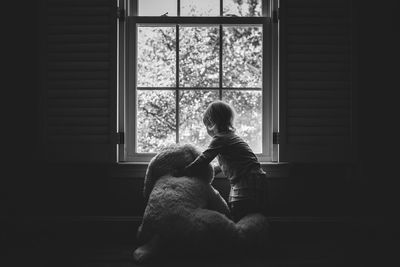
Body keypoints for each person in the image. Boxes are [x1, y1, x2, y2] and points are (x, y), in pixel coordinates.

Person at [175, 100, 267, 222]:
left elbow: (204, 159)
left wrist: (185, 172)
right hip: (256, 179)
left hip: (246, 181)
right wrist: (211, 171)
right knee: (250, 216)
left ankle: (239, 238)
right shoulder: (231, 137)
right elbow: (225, 164)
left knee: (238, 214)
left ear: (211, 123)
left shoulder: (220, 138)